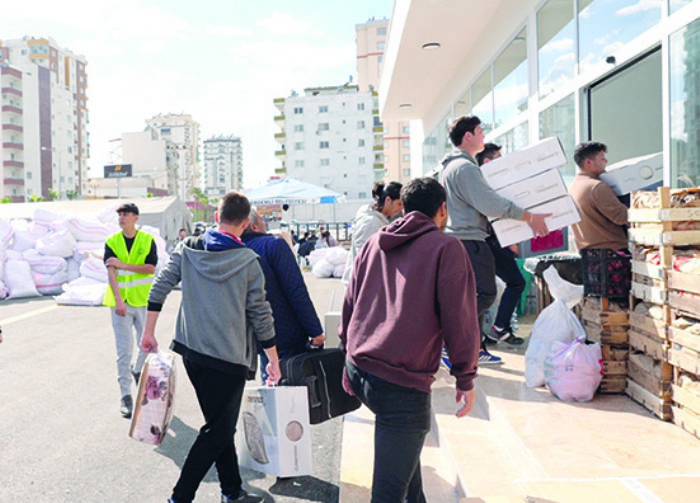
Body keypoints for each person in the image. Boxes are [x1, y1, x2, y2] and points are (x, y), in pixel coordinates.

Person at [340, 177, 480, 502]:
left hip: (361, 368)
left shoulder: (376, 241)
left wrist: (346, 355)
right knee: (389, 490)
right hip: (401, 385)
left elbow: (350, 300)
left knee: (404, 466)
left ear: (404, 205)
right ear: (442, 209)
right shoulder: (446, 248)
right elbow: (461, 320)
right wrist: (466, 378)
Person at [141, 192, 280, 503]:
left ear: (217, 217)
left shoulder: (188, 248)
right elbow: (260, 313)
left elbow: (160, 284)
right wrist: (273, 357)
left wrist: (149, 332)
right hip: (228, 359)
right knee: (218, 430)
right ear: (245, 224)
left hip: (192, 352)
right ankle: (180, 497)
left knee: (219, 423)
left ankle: (232, 491)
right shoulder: (248, 263)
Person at [438, 115, 549, 366]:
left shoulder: (453, 166)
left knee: (474, 294)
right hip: (469, 240)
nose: (483, 136)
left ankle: (474, 349)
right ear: (468, 136)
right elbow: (489, 203)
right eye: (480, 131)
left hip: (466, 238)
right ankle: (447, 340)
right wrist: (528, 216)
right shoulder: (464, 168)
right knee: (484, 293)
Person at [242, 208, 325, 380]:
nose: (264, 222)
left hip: (255, 338)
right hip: (287, 335)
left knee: (272, 387)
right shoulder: (274, 245)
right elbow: (296, 290)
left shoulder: (233, 252)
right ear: (254, 227)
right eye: (261, 219)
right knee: (295, 391)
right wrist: (315, 330)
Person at [103, 202, 157, 419]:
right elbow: (111, 271)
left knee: (146, 346)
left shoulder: (147, 240)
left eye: (125, 214)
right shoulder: (112, 242)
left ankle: (138, 370)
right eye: (120, 214)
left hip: (142, 301)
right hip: (121, 304)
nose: (121, 217)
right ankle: (125, 395)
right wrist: (118, 300)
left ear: (135, 217)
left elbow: (150, 268)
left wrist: (123, 265)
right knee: (123, 351)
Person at [476, 143, 526, 346]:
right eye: (498, 157)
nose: (502, 161)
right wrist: (510, 242)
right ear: (487, 161)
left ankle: (491, 331)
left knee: (486, 290)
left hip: (489, 242)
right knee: (513, 283)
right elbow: (497, 215)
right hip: (492, 242)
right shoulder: (488, 183)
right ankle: (497, 328)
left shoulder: (480, 181)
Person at [568, 141, 629, 251]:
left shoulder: (572, 188)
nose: (606, 161)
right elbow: (623, 216)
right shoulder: (597, 187)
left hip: (590, 256)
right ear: (589, 162)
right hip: (612, 254)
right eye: (602, 158)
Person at [342, 181, 403, 283]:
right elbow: (364, 258)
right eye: (399, 204)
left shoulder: (380, 219)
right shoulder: (370, 222)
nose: (401, 208)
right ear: (388, 200)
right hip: (362, 283)